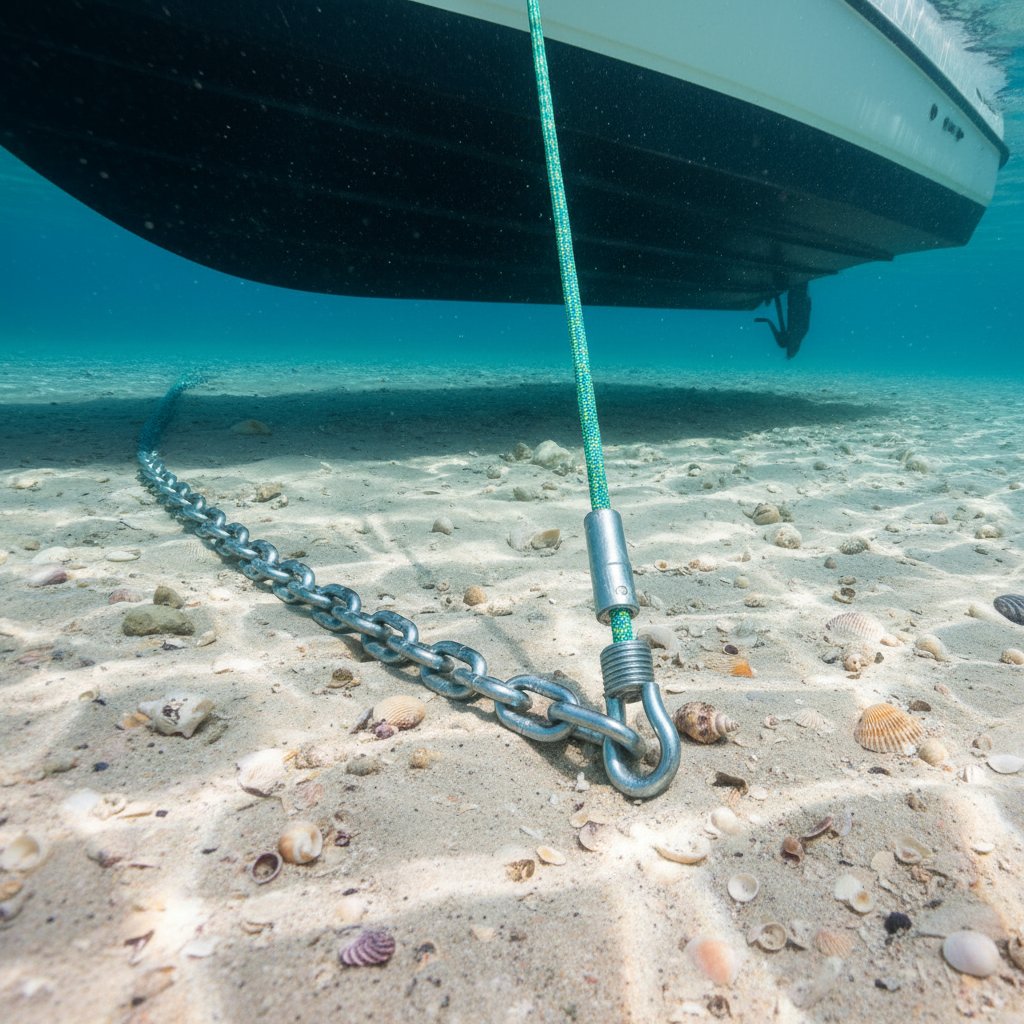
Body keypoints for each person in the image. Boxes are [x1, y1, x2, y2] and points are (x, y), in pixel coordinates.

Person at [755, 282, 811, 359]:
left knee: (800, 283)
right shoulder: (787, 340)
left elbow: (807, 311)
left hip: (797, 302)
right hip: (795, 302)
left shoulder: (802, 332)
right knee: (798, 283)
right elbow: (807, 312)